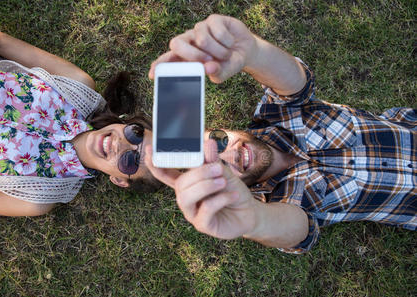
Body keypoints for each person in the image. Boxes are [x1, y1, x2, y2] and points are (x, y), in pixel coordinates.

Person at [145, 14, 416, 254]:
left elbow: (296, 82)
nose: (232, 154)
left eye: (218, 141)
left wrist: (253, 53)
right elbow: (299, 232)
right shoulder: (272, 202)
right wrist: (255, 219)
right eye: (220, 166)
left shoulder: (276, 114)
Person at [0, 24, 161, 217]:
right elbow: (0, 43)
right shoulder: (77, 86)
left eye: (130, 161)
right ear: (128, 123)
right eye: (135, 135)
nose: (122, 144)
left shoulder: (36, 197)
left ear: (119, 180)